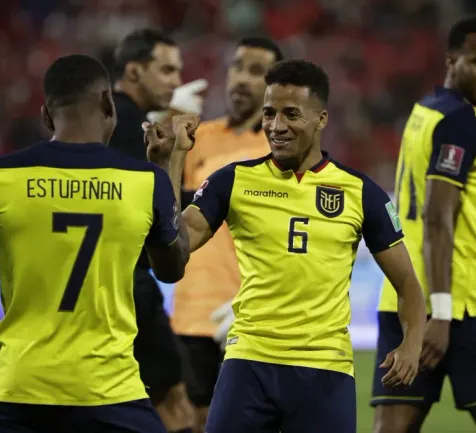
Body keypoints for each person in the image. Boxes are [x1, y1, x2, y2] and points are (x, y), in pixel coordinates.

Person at [144, 59, 427, 433]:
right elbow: (171, 262)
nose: (276, 126)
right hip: (249, 360)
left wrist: (412, 344)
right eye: (269, 113)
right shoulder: (233, 181)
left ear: (321, 119)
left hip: (324, 367)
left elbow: (408, 284)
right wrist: (173, 160)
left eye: (291, 114)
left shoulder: (360, 192)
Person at [0, 54, 193, 433]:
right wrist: (168, 166)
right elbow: (172, 268)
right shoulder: (146, 182)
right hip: (111, 394)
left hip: (15, 393)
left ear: (46, 116)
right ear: (109, 104)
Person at [371, 17, 476, 433]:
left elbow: (458, 218)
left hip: (403, 298)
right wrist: (441, 314)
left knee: (391, 427)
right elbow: (438, 218)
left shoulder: (425, 111)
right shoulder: (462, 121)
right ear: (451, 60)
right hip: (465, 302)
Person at [170, 36, 283, 432]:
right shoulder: (197, 137)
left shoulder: (281, 151)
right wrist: (161, 122)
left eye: (257, 72)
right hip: (191, 315)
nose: (242, 79)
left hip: (252, 318)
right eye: (238, 66)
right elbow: (162, 209)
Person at [108, 28, 205, 433]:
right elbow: (156, 205)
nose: (175, 81)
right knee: (174, 404)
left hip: (98, 286)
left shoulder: (100, 120)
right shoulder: (129, 125)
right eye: (165, 69)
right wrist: (211, 195)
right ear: (133, 70)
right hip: (131, 285)